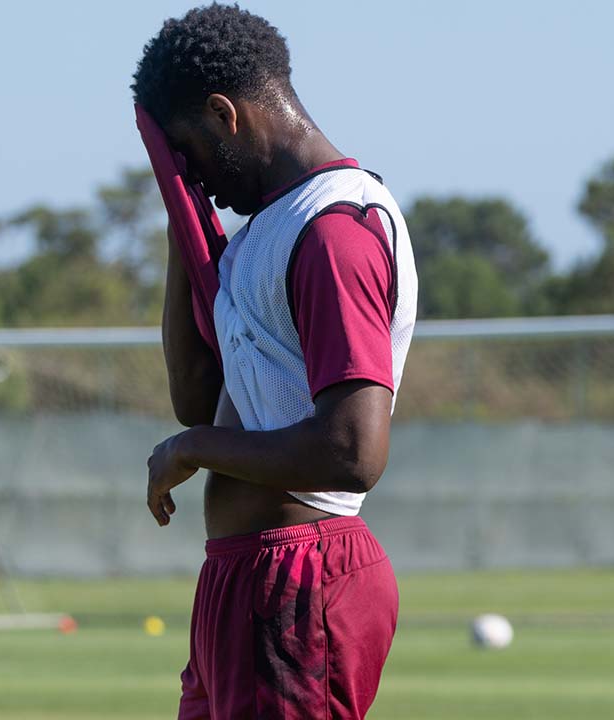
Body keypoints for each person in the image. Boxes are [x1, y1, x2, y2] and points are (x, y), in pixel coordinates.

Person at [132, 5, 418, 718]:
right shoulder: (270, 230)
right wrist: (182, 228)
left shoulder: (334, 231)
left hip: (299, 576)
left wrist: (192, 449)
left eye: (187, 153)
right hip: (241, 578)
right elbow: (202, 400)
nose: (191, 176)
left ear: (225, 115)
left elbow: (352, 451)